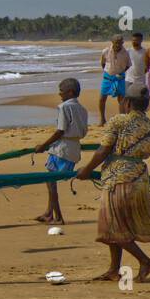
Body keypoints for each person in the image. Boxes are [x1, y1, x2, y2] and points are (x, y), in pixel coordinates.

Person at [75, 84, 150, 283]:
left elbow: (103, 151)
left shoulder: (118, 122)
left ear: (127, 103)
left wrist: (86, 170)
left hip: (118, 180)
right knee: (117, 225)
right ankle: (114, 269)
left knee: (114, 227)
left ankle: (146, 262)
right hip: (139, 181)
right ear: (147, 106)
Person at [33, 78, 90, 224]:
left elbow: (60, 131)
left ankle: (57, 216)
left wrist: (44, 145)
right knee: (50, 180)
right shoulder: (83, 109)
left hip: (61, 149)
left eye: (61, 91)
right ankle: (49, 212)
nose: (59, 94)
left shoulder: (64, 107)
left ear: (70, 92)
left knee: (50, 181)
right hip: (74, 148)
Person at [99, 34, 131, 125]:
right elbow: (103, 63)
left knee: (121, 99)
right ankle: (102, 119)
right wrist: (108, 72)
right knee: (102, 98)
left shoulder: (125, 53)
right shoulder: (106, 51)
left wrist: (121, 72)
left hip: (119, 77)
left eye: (120, 42)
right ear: (112, 42)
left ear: (122, 42)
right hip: (107, 77)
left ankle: (122, 119)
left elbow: (128, 65)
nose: (118, 44)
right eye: (116, 42)